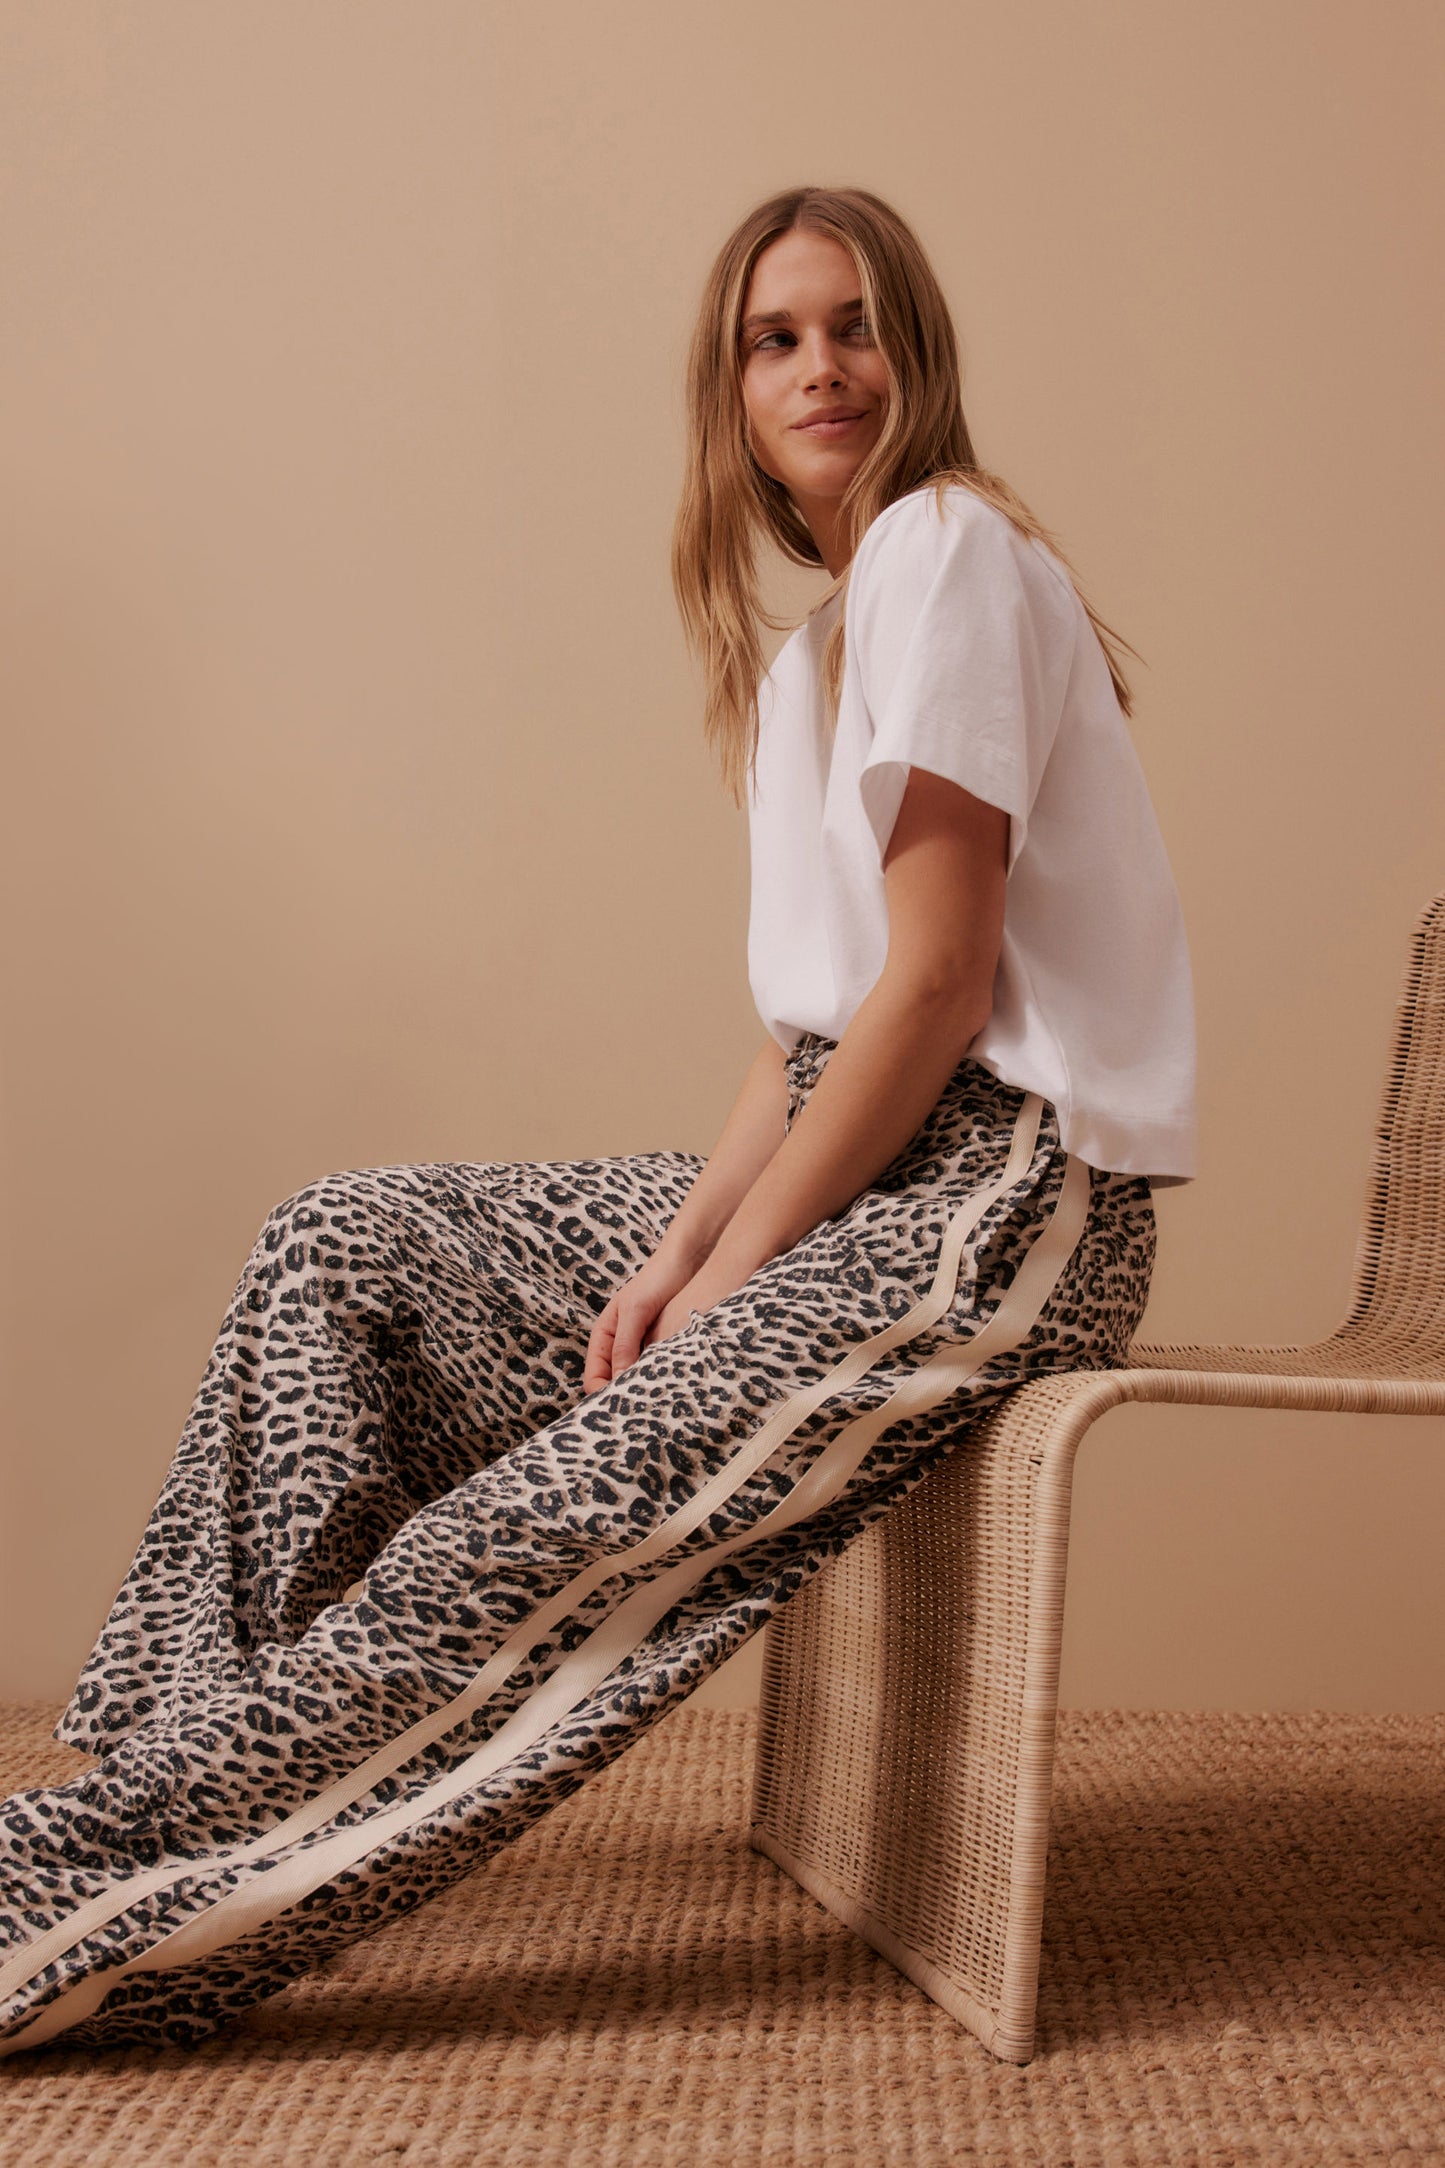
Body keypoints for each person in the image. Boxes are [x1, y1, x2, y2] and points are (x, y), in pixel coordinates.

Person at [0, 184, 1194, 2055]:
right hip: (864, 1143)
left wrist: (750, 1269)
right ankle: (165, 1771)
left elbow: (940, 990)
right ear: (724, 390)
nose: (822, 367)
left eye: (856, 325)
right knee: (351, 1242)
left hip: (999, 1199)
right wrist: (678, 1249)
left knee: (502, 1544)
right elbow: (800, 1029)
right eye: (774, 337)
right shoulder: (814, 650)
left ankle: (80, 1920)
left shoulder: (948, 552)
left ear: (920, 354)